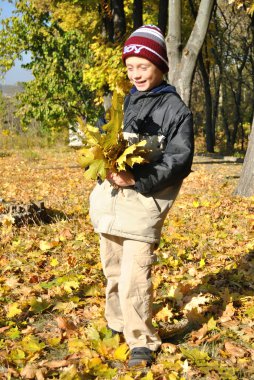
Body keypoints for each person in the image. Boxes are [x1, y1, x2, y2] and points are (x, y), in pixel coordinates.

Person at [89, 25, 194, 367]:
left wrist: (137, 179)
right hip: (113, 203)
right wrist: (103, 162)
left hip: (145, 202)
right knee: (113, 269)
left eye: (143, 66)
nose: (136, 74)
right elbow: (112, 144)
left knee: (135, 275)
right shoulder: (127, 100)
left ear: (159, 65)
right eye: (130, 67)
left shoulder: (175, 109)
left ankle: (141, 341)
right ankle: (117, 323)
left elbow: (179, 160)